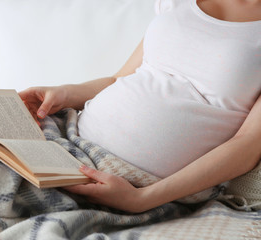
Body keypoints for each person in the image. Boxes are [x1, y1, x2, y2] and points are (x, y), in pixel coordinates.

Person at [18, 0, 261, 213]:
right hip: (69, 143)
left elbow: (248, 145)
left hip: (143, 187)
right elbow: (118, 79)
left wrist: (140, 199)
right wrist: (64, 93)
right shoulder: (176, 3)